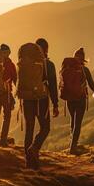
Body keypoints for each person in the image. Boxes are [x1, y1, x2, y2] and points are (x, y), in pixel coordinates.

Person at [23, 38, 59, 169]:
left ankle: (29, 163)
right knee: (45, 127)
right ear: (46, 49)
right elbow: (53, 85)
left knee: (29, 129)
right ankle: (34, 148)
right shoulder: (48, 65)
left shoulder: (25, 63)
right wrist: (55, 104)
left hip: (27, 99)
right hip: (41, 100)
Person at [67, 48, 94, 155]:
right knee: (78, 123)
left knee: (72, 120)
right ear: (83, 59)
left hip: (70, 99)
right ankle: (73, 146)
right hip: (80, 99)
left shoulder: (67, 68)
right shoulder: (85, 70)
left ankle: (72, 144)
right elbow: (91, 83)